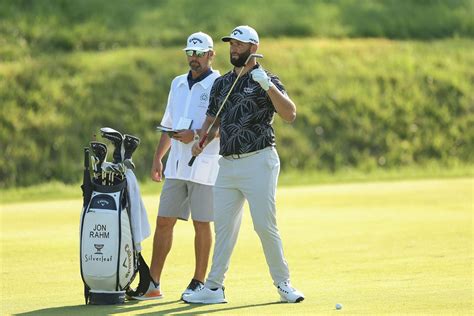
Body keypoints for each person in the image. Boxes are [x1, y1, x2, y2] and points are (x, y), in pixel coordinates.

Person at [184, 25, 304, 304]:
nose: (233, 49)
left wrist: (268, 86)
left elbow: (290, 114)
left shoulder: (267, 79)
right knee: (223, 228)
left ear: (253, 48)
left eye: (239, 45)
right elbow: (213, 121)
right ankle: (214, 287)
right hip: (227, 164)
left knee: (264, 225)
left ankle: (283, 283)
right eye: (231, 44)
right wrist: (202, 139)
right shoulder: (222, 83)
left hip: (259, 161)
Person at [132, 32, 221, 300]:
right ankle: (153, 284)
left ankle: (198, 281)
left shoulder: (219, 84)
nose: (193, 59)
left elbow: (220, 126)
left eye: (199, 53)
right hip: (177, 165)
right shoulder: (178, 83)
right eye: (190, 54)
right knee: (163, 221)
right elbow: (168, 123)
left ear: (210, 54)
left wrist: (195, 135)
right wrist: (159, 157)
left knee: (202, 223)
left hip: (205, 165)